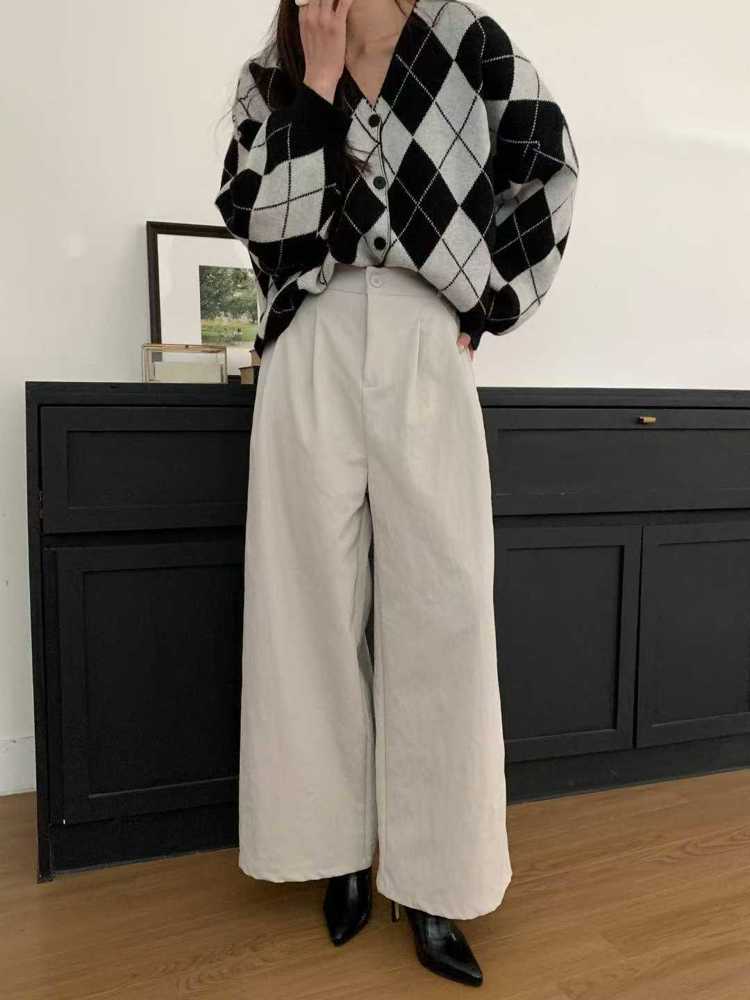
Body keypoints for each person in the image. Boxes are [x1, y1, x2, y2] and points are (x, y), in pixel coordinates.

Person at [214, 0, 579, 987]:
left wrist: (492, 300)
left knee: (444, 611)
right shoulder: (275, 74)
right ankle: (332, 851)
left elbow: (550, 166)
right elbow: (267, 233)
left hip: (425, 332)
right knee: (305, 610)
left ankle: (435, 880)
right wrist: (319, 88)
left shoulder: (470, 47)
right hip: (311, 334)